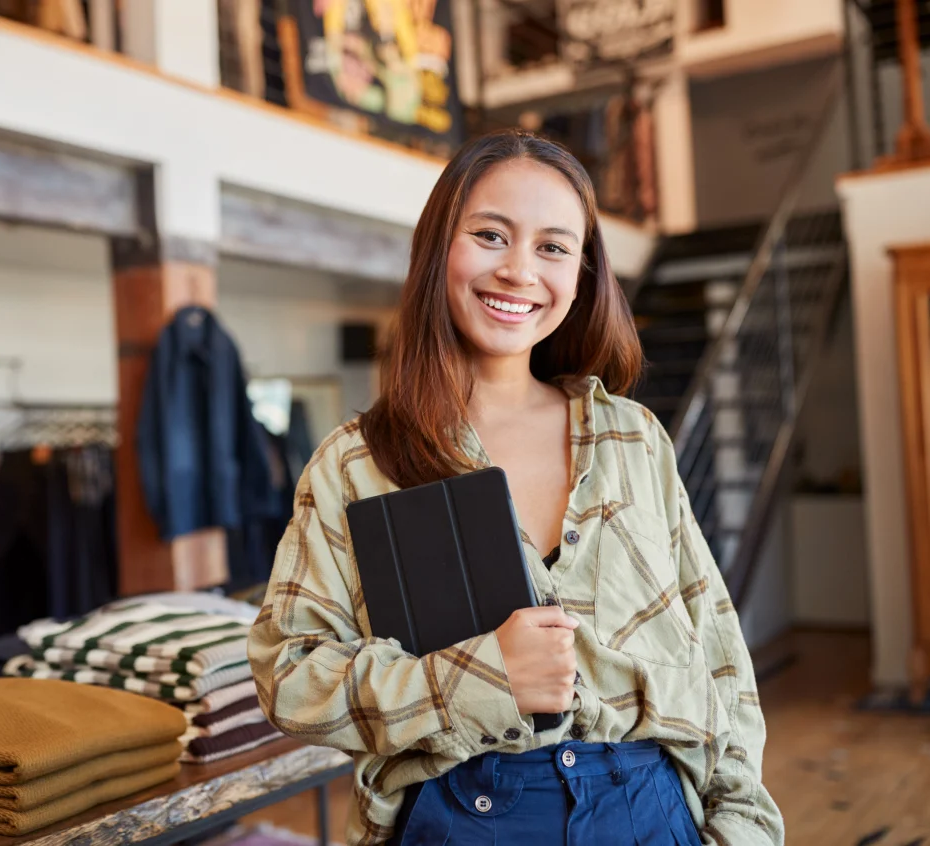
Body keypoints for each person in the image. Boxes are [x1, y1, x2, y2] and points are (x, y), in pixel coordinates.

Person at [247, 129, 783, 845]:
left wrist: (744, 820)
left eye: (553, 247)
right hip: (463, 814)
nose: (519, 271)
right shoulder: (356, 462)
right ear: (438, 247)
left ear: (583, 274)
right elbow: (289, 675)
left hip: (650, 808)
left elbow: (715, 643)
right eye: (490, 235)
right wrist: (480, 675)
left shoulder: (631, 437)